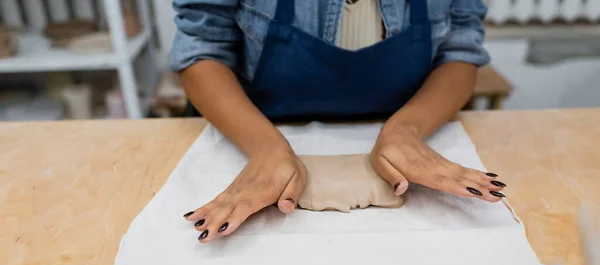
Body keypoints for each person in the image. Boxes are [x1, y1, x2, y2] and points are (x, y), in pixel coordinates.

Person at [172, 0, 507, 243]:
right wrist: (264, 148)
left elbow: (460, 51)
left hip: (409, 115)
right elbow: (203, 49)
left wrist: (407, 130)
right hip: (257, 121)